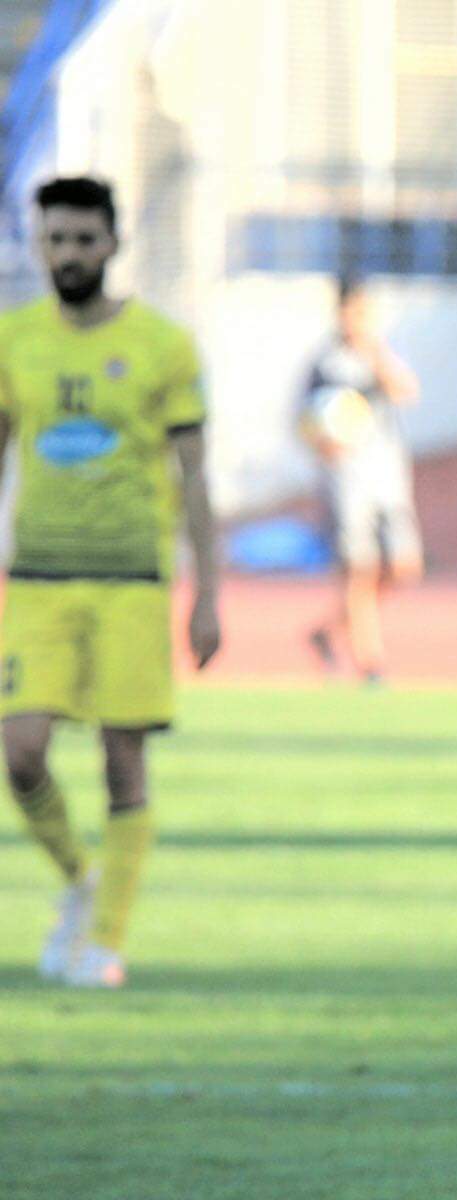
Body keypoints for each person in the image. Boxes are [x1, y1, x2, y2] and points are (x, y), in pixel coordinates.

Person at [0, 175, 220, 989]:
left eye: (83, 239)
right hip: (38, 580)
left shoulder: (164, 346)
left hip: (132, 579)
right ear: (39, 245)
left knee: (122, 763)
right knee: (19, 753)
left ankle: (105, 941)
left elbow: (195, 478)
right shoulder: (13, 339)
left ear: (113, 244)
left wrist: (210, 594)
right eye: (55, 239)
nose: (68, 254)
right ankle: (77, 881)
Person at [301, 274, 421, 684]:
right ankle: (370, 662)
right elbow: (303, 419)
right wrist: (323, 443)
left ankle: (326, 631)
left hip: (387, 474)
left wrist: (376, 354)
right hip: (347, 478)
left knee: (403, 567)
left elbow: (406, 391)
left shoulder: (378, 352)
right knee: (360, 569)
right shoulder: (325, 363)